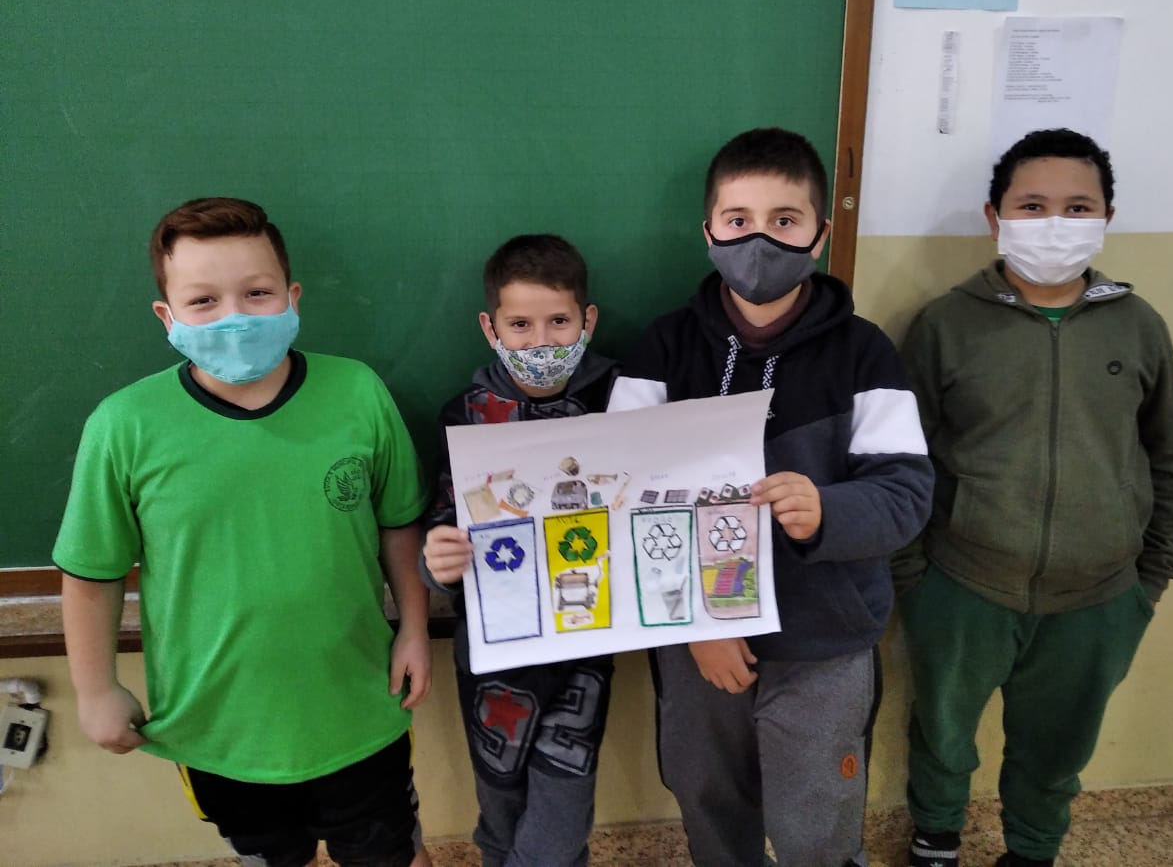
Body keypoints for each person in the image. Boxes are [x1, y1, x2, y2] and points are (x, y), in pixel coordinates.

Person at [55, 197, 433, 867]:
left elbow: (397, 523)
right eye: (203, 301)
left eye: (257, 293)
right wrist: (94, 688)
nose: (234, 316)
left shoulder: (358, 393)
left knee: (389, 851)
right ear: (167, 316)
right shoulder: (123, 426)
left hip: (359, 706)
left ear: (292, 297)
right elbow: (92, 572)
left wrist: (413, 627)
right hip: (219, 726)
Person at [608, 127, 934, 866]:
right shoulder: (662, 351)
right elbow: (621, 500)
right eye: (738, 220)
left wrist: (828, 512)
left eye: (785, 220)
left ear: (820, 235)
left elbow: (907, 493)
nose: (759, 239)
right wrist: (696, 621)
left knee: (817, 824)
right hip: (697, 642)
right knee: (709, 802)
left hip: (825, 643)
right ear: (709, 233)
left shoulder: (865, 353)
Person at [895, 129, 1173, 867]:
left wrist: (1150, 579)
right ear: (995, 216)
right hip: (962, 585)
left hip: (1099, 595)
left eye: (1077, 207)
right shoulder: (945, 325)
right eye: (1032, 205)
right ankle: (936, 836)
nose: (1055, 222)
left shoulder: (1139, 326)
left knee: (1059, 743)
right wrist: (912, 579)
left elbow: (1169, 456)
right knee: (942, 729)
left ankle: (1032, 848)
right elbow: (903, 458)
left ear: (1106, 217)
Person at [422, 233, 617, 867]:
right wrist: (438, 559)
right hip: (492, 654)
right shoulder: (463, 417)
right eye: (520, 325)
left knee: (560, 817)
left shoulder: (623, 402)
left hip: (583, 645)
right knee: (500, 804)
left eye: (559, 321)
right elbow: (442, 523)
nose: (541, 342)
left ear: (587, 320)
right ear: (491, 328)